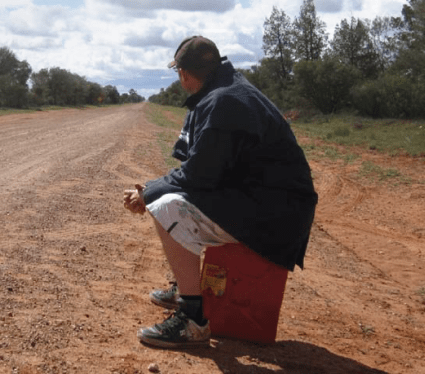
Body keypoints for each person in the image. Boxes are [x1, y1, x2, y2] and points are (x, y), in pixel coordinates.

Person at [123, 36, 318, 348]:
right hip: (271, 204)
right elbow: (202, 169)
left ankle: (193, 319)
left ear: (184, 74)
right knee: (171, 198)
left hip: (275, 216)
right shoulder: (228, 90)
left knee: (166, 207)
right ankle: (187, 286)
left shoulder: (223, 100)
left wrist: (148, 193)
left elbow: (198, 175)